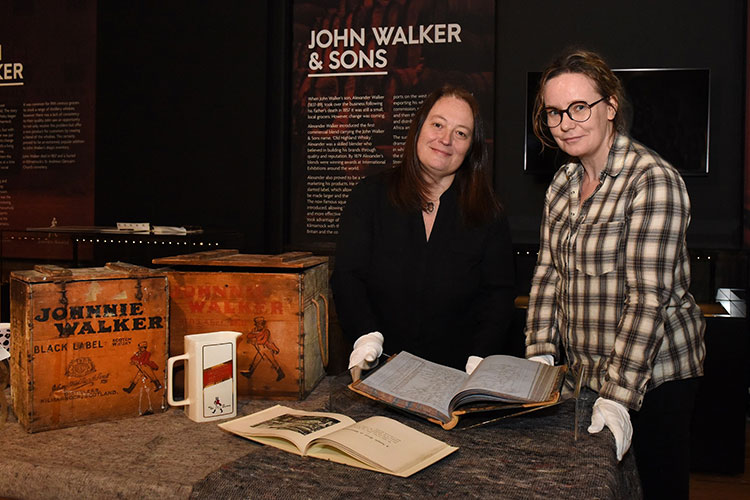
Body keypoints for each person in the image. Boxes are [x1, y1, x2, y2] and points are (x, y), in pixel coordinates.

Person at [524, 49, 705, 499]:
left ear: (610, 107)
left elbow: (648, 299)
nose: (566, 122)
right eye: (554, 113)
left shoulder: (652, 179)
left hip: (657, 375)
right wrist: (539, 358)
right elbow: (549, 273)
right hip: (586, 373)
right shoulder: (563, 185)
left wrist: (620, 395)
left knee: (657, 487)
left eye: (579, 107)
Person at [331, 84, 516, 378]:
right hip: (378, 369)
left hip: (456, 379)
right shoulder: (369, 196)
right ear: (418, 128)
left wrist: (481, 357)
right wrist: (366, 337)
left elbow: (499, 295)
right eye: (438, 124)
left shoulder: (488, 212)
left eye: (461, 133)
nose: (445, 139)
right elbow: (348, 276)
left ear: (471, 148)